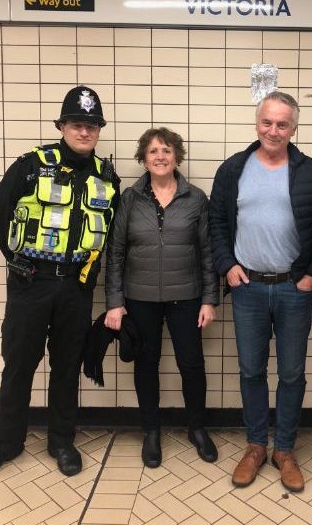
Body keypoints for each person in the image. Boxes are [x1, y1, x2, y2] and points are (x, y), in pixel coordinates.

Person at [0, 86, 120, 480]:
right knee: (19, 365)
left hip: (76, 287)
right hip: (31, 283)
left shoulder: (106, 176)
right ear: (62, 126)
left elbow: (108, 232)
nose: (85, 131)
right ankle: (6, 444)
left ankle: (61, 441)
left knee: (66, 366)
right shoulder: (31, 164)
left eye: (92, 125)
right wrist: (16, 261)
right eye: (77, 124)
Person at [209, 91, 312, 492]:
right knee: (250, 369)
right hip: (247, 288)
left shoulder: (310, 172)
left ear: (294, 128)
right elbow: (216, 224)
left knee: (292, 373)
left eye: (283, 124)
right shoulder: (233, 169)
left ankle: (284, 449)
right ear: (256, 123)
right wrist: (227, 266)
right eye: (267, 122)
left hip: (293, 290)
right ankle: (254, 446)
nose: (274, 130)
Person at [104, 127, 219, 467]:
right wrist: (114, 301)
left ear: (176, 156)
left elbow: (208, 252)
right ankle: (151, 432)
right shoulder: (129, 198)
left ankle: (197, 428)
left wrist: (210, 299)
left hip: (187, 296)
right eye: (153, 151)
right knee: (146, 364)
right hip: (139, 298)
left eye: (166, 150)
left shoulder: (196, 198)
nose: (160, 156)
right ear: (144, 157)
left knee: (192, 365)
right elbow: (116, 253)